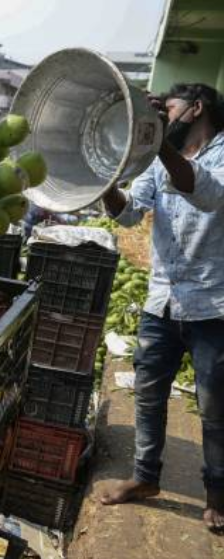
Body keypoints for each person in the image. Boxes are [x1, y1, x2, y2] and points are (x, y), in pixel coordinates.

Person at [99, 83, 224, 532]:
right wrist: (106, 184)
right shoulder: (157, 158)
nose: (160, 114)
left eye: (166, 108)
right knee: (149, 395)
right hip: (162, 300)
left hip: (214, 305)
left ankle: (217, 492)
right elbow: (131, 213)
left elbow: (202, 190)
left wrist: (159, 142)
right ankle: (144, 478)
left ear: (196, 107)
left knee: (215, 406)